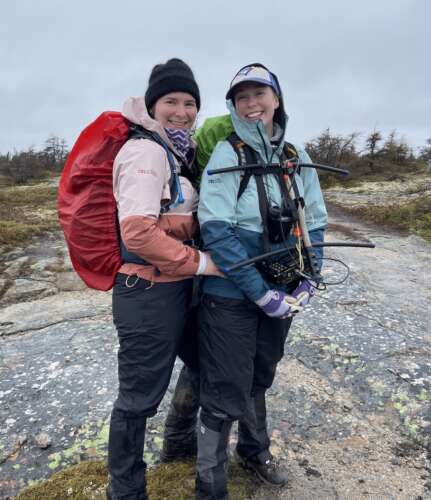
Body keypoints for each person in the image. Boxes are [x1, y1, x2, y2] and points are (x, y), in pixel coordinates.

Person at [194, 63, 328, 499]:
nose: (252, 104)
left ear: (276, 99)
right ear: (233, 106)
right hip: (230, 293)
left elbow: (318, 223)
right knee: (225, 388)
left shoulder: (294, 155)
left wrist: (309, 277)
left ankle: (254, 452)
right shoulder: (226, 155)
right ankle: (210, 488)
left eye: (260, 95)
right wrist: (259, 292)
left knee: (261, 374)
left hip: (283, 289)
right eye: (242, 98)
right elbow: (216, 228)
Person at [106, 58, 222, 500]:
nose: (182, 110)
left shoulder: (178, 151)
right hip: (147, 291)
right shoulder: (146, 151)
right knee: (137, 399)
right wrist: (202, 263)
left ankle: (176, 446)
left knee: (199, 363)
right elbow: (136, 231)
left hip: (176, 288)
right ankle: (127, 491)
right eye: (171, 101)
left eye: (190, 102)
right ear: (153, 105)